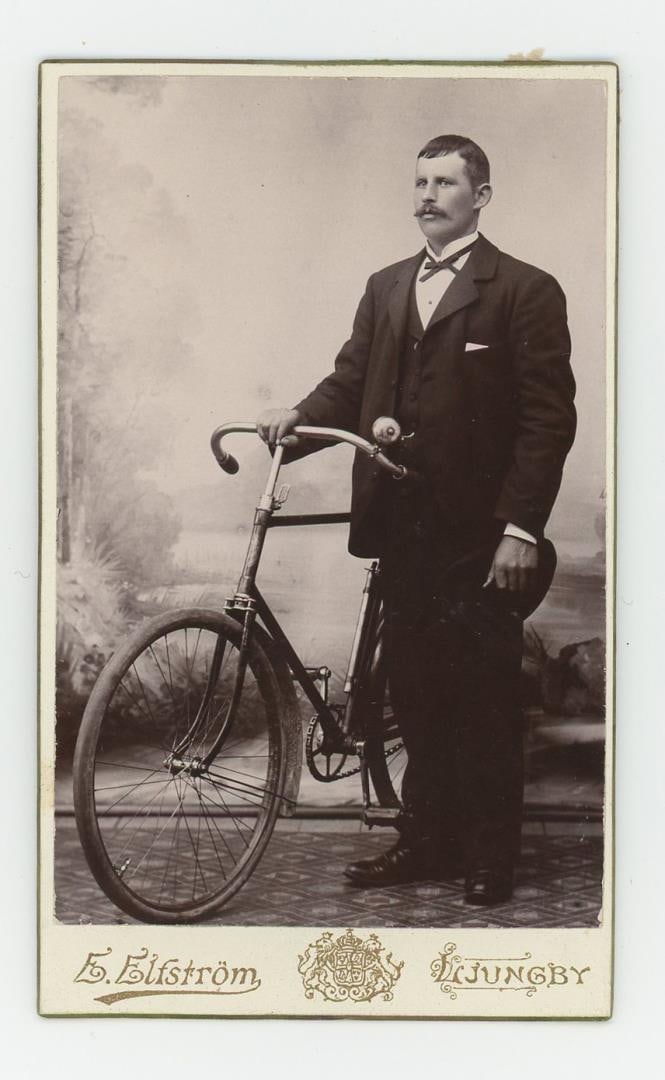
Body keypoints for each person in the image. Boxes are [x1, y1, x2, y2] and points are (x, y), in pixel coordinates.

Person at [257, 134, 576, 905]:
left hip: (478, 536)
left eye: (443, 182)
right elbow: (350, 381)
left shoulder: (523, 290)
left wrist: (519, 530)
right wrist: (293, 420)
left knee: (484, 697)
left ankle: (490, 855)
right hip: (401, 530)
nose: (426, 195)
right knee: (418, 693)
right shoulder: (386, 284)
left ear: (481, 195)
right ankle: (427, 839)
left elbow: (546, 420)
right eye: (419, 181)